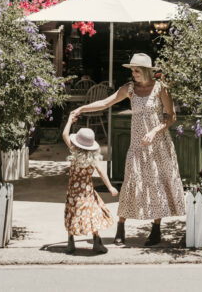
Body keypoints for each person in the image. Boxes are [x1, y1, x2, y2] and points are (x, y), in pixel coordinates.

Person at [71, 52, 185, 247]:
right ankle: (120, 227)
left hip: (158, 144)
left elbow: (171, 117)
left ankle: (156, 229)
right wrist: (82, 109)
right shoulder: (130, 89)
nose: (134, 74)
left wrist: (155, 131)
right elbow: (106, 102)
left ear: (148, 71)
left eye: (137, 70)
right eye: (132, 70)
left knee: (156, 185)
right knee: (130, 182)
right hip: (138, 145)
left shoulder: (160, 89)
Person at [62, 113, 118, 255]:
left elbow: (64, 134)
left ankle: (70, 242)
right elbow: (102, 173)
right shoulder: (93, 159)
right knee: (93, 214)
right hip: (87, 192)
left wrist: (69, 120)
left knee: (72, 214)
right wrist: (110, 187)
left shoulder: (74, 153)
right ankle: (96, 241)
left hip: (73, 193)